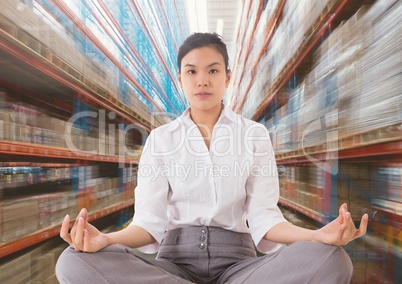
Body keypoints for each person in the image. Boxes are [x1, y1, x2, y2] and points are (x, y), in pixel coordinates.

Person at [56, 32, 368, 284]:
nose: (202, 80)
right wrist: (105, 240)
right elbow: (148, 224)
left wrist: (317, 236)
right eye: (191, 71)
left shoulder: (253, 134)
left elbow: (264, 218)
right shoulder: (161, 139)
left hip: (240, 269)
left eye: (213, 70)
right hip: (172, 266)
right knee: (72, 260)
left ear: (227, 78)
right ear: (181, 79)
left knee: (331, 259)